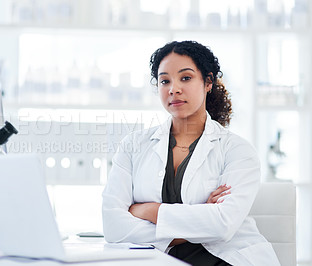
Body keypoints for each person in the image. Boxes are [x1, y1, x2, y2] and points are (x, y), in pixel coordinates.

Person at [102, 40, 280, 265]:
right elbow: (113, 226)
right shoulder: (133, 145)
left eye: (185, 78)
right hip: (158, 260)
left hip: (226, 259)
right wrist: (200, 216)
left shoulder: (237, 151)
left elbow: (222, 225)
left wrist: (147, 210)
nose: (173, 88)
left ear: (208, 82)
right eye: (164, 80)